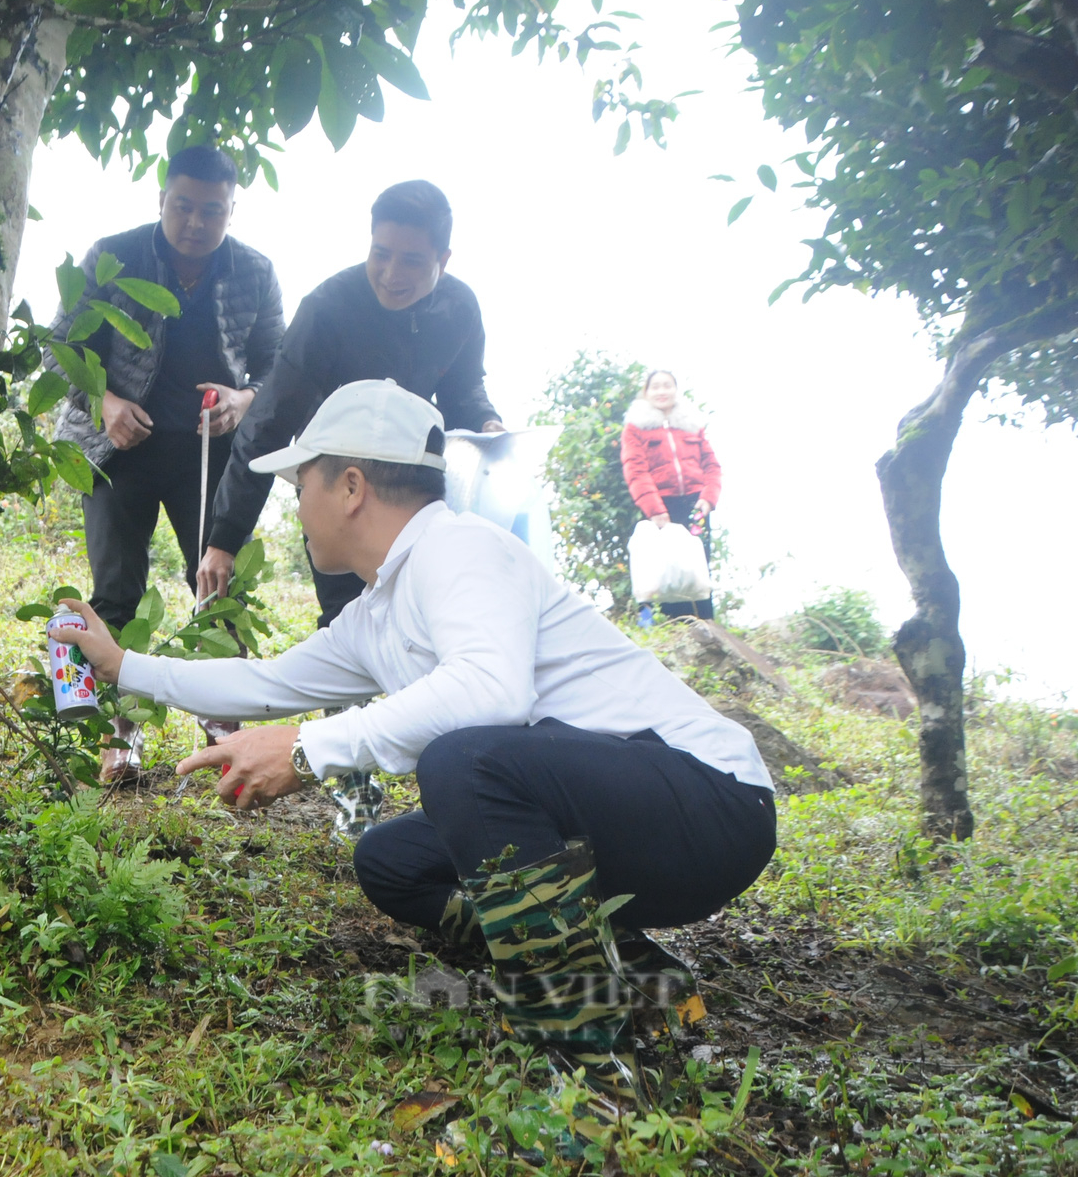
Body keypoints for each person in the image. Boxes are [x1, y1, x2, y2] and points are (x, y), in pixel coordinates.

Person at [51, 380, 775, 1093]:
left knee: (463, 761)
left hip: (708, 804)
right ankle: (626, 972)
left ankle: (582, 1053)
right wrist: (124, 667)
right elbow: (267, 683)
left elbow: (490, 692)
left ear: (351, 486)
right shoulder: (380, 609)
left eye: (302, 483)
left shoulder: (459, 550)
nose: (296, 507)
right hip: (614, 819)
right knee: (393, 861)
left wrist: (307, 750)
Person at [49, 144, 285, 780]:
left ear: (231, 211)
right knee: (115, 592)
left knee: (215, 587)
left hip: (207, 454)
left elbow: (276, 366)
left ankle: (223, 726)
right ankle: (117, 733)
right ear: (161, 201)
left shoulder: (255, 272)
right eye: (183, 206)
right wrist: (107, 403)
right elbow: (61, 351)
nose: (196, 223)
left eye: (213, 211)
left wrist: (243, 398)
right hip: (115, 451)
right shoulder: (112, 255)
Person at [198, 180, 505, 631]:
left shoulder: (459, 308)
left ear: (443, 260)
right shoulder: (327, 310)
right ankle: (347, 705)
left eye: (412, 260)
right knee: (348, 621)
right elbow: (268, 424)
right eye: (381, 253)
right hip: (333, 481)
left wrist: (487, 421)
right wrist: (224, 539)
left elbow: (463, 391)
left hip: (410, 487)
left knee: (423, 616)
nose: (391, 273)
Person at [619, 370, 721, 621]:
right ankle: (667, 626)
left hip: (696, 504)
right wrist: (655, 509)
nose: (661, 391)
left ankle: (705, 624)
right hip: (661, 505)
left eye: (667, 386)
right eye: (655, 387)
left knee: (697, 566)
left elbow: (711, 465)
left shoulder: (691, 424)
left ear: (676, 390)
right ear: (646, 392)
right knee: (663, 567)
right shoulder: (635, 428)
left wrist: (708, 498)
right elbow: (635, 470)